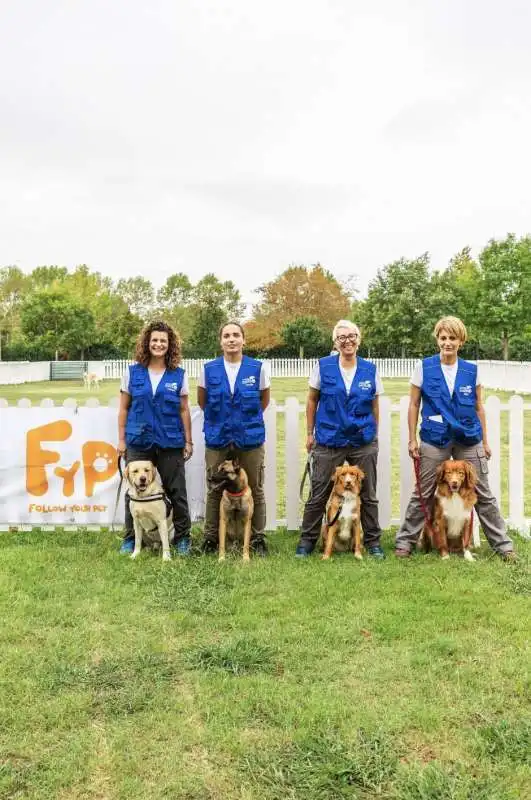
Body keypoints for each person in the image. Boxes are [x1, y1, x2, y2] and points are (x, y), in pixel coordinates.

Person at [394, 315, 516, 560]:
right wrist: (411, 439)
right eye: (443, 338)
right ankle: (405, 542)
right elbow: (414, 404)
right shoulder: (424, 367)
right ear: (437, 340)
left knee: (482, 492)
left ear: (461, 341)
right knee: (424, 491)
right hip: (434, 436)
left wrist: (486, 441)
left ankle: (503, 546)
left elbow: (479, 407)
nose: (447, 342)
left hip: (468, 437)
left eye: (452, 338)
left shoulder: (472, 370)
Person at [295, 320, 385, 559]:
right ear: (335, 342)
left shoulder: (370, 369)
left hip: (362, 439)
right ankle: (307, 542)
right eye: (342, 337)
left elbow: (375, 403)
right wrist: (309, 433)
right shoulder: (323, 366)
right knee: (319, 492)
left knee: (368, 494)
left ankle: (373, 542)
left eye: (352, 336)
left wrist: (374, 433)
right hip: (329, 438)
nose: (348, 341)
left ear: (359, 338)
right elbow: (312, 400)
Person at [117, 320, 193, 555]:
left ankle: (182, 538)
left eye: (163, 340)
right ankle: (130, 538)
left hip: (170, 440)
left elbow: (183, 409)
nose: (158, 344)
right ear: (146, 343)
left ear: (170, 345)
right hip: (138, 440)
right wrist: (121, 440)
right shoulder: (132, 373)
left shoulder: (178, 374)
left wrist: (188, 441)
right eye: (154, 340)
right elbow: (123, 409)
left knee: (176, 491)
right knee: (132, 492)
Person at [197, 321, 270, 556]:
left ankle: (257, 539)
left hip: (249, 438)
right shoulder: (208, 369)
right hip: (218, 437)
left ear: (243, 340)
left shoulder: (257, 368)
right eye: (226, 335)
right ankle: (210, 538)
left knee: (255, 487)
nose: (231, 339)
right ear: (220, 341)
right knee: (215, 487)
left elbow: (263, 402)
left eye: (236, 335)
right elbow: (202, 402)